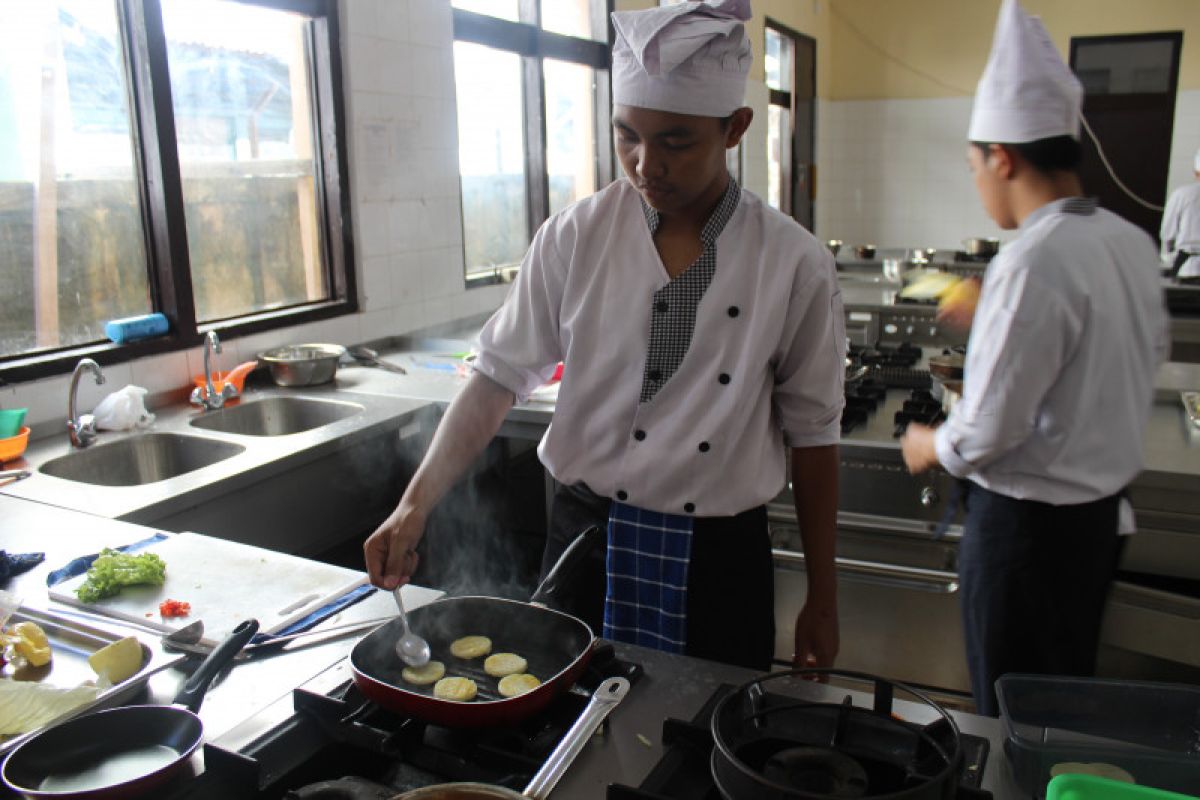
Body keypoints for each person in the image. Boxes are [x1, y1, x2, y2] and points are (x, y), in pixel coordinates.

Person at [363, 0, 844, 673]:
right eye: (627, 136)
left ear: (734, 128)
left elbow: (815, 434)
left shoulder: (793, 262)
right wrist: (413, 507)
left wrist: (823, 594)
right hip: (585, 536)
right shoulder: (576, 235)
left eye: (676, 141)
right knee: (564, 720)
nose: (646, 164)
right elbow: (499, 375)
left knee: (702, 744)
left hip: (718, 557)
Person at [899, 0, 1169, 716]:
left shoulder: (1033, 262)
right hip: (1094, 527)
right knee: (1061, 705)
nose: (977, 183)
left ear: (1003, 157)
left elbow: (987, 433)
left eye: (973, 166)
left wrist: (930, 444)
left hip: (1027, 539)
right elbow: (1128, 350)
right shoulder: (1128, 242)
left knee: (1009, 713)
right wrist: (997, 317)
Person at [1160, 148, 1200, 279]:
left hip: (1187, 270)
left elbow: (1167, 234)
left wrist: (1168, 258)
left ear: (1196, 172)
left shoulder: (1181, 195)